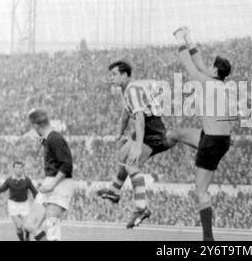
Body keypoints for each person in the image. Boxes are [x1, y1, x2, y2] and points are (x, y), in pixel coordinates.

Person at [97, 61, 201, 228]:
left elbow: (139, 118)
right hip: (147, 127)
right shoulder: (126, 90)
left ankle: (141, 208)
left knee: (131, 165)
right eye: (110, 75)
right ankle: (114, 192)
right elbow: (125, 115)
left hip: (151, 130)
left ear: (125, 75)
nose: (111, 78)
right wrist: (119, 132)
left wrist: (138, 145)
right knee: (122, 154)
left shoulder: (132, 90)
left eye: (114, 74)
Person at [173, 26, 233, 241]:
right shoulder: (219, 84)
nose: (207, 66)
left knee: (200, 191)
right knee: (178, 134)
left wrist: (179, 41)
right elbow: (199, 64)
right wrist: (189, 38)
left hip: (212, 141)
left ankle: (208, 239)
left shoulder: (210, 84)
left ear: (215, 71)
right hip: (217, 138)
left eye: (211, 66)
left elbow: (191, 67)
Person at [23, 109, 74, 241]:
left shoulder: (55, 138)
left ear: (35, 125)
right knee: (30, 225)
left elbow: (67, 165)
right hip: (50, 181)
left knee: (52, 227)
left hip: (60, 183)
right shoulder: (48, 139)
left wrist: (52, 183)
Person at [0, 161, 38, 241]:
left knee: (27, 226)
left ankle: (27, 236)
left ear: (23, 169)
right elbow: (0, 189)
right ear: (13, 169)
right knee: (19, 226)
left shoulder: (27, 180)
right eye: (16, 167)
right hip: (13, 205)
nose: (18, 169)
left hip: (25, 204)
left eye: (20, 167)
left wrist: (39, 202)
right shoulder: (9, 180)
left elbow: (34, 192)